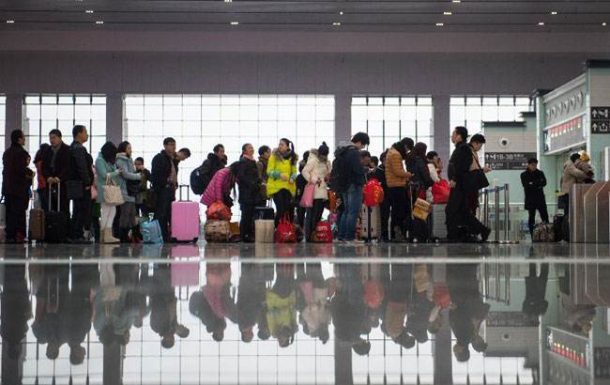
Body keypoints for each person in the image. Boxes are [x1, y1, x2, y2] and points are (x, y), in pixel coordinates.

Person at [446, 126, 490, 242]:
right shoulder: (461, 148)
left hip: (460, 185)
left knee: (451, 210)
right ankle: (481, 230)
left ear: (459, 136)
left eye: (453, 134)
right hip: (461, 185)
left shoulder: (463, 148)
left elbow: (461, 167)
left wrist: (454, 179)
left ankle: (453, 236)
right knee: (463, 211)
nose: (452, 136)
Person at [332, 132, 370, 244]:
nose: (362, 148)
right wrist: (366, 170)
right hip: (354, 184)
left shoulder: (343, 151)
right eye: (363, 145)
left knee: (346, 211)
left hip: (344, 185)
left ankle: (342, 236)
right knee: (353, 212)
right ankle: (349, 238)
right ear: (359, 141)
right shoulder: (353, 153)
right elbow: (357, 169)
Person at [2, 130, 31, 243]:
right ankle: (19, 235)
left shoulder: (7, 153)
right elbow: (21, 171)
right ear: (19, 139)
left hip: (8, 188)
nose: (24, 139)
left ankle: (10, 235)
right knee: (19, 212)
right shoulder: (22, 154)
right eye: (23, 137)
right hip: (19, 188)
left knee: (9, 212)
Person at [68, 125, 94, 244]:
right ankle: (77, 235)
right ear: (79, 134)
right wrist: (87, 182)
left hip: (75, 184)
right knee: (82, 209)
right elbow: (82, 167)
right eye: (85, 132)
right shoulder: (78, 149)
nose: (87, 134)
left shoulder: (73, 147)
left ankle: (76, 234)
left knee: (78, 209)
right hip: (81, 185)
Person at [302, 142, 331, 241]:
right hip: (314, 191)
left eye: (326, 155)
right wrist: (314, 179)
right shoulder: (313, 160)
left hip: (322, 191)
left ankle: (315, 234)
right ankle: (310, 235)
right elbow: (304, 171)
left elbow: (329, 173)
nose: (324, 157)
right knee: (312, 214)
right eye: (323, 155)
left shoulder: (327, 162)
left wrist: (328, 177)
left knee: (319, 214)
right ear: (319, 153)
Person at [385, 138, 413, 242]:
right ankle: (397, 234)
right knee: (400, 211)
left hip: (394, 186)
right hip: (397, 186)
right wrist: (409, 175)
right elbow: (398, 172)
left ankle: (395, 234)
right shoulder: (395, 154)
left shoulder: (392, 152)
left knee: (397, 211)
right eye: (407, 149)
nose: (407, 152)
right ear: (405, 146)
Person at [267, 138, 298, 226]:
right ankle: (276, 228)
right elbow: (269, 171)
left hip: (288, 187)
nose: (280, 146)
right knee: (280, 210)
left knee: (287, 209)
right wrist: (279, 175)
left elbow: (294, 172)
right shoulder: (274, 156)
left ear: (287, 147)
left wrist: (292, 178)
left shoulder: (293, 157)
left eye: (282, 144)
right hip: (276, 187)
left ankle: (286, 229)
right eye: (279, 144)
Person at [115, 141, 143, 242]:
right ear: (123, 149)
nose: (131, 150)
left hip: (130, 191)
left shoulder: (128, 159)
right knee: (126, 214)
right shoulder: (121, 160)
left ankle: (134, 235)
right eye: (129, 148)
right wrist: (138, 176)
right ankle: (123, 236)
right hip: (124, 190)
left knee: (132, 214)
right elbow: (125, 174)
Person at [152, 138, 178, 242]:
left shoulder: (171, 159)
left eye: (174, 145)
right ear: (165, 146)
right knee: (161, 213)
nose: (173, 147)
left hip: (170, 189)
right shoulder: (159, 158)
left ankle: (167, 235)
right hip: (163, 190)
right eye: (171, 145)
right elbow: (156, 174)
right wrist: (164, 183)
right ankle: (161, 235)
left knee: (169, 213)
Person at [95, 142, 121, 244]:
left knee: (111, 211)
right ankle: (106, 235)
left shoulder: (107, 161)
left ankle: (106, 235)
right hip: (104, 190)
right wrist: (117, 172)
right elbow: (104, 175)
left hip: (109, 189)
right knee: (106, 212)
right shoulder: (100, 160)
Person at [237, 143, 263, 243]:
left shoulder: (252, 161)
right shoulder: (243, 161)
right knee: (246, 215)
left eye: (252, 147)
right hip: (246, 193)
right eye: (249, 148)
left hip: (252, 193)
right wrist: (253, 184)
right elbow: (242, 177)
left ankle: (248, 234)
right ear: (244, 151)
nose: (252, 149)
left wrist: (258, 182)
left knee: (250, 214)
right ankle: (244, 235)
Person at [42, 129, 71, 214]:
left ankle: (63, 226)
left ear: (60, 138)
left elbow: (68, 167)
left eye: (54, 138)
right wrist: (48, 177)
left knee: (63, 207)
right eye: (50, 138)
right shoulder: (47, 151)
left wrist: (60, 177)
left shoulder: (67, 150)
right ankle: (51, 225)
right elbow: (44, 167)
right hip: (50, 183)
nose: (52, 140)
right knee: (50, 207)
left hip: (63, 185)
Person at [521, 158, 549, 238]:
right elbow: (526, 185)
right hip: (530, 199)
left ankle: (547, 233)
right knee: (531, 217)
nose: (534, 166)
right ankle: (532, 234)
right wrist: (537, 183)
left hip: (540, 198)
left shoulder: (540, 173)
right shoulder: (524, 174)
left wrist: (532, 183)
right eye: (532, 165)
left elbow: (544, 183)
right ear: (529, 165)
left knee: (545, 216)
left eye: (535, 165)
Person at [467, 134, 491, 215]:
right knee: (471, 209)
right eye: (480, 146)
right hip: (470, 186)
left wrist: (482, 170)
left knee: (473, 208)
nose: (480, 148)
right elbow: (472, 170)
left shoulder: (473, 152)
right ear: (475, 143)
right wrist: (482, 170)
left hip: (472, 186)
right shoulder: (468, 152)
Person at [559, 153, 587, 217]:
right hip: (568, 192)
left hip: (567, 192)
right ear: (576, 159)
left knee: (568, 210)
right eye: (579, 160)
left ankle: (568, 224)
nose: (580, 162)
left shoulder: (569, 165)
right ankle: (567, 225)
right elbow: (577, 173)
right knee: (569, 211)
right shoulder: (570, 165)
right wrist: (587, 174)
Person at [372, 151, 390, 242]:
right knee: (384, 216)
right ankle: (384, 234)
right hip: (383, 196)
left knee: (387, 215)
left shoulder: (390, 169)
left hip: (390, 194)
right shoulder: (379, 170)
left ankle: (389, 234)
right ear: (383, 159)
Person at [295, 151, 310, 231]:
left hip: (302, 187)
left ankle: (301, 227)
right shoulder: (308, 165)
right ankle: (302, 227)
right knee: (302, 210)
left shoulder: (302, 164)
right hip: (304, 186)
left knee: (301, 210)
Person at [33, 143, 50, 211]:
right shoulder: (44, 163)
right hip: (46, 186)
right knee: (49, 208)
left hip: (40, 187)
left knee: (44, 208)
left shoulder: (38, 163)